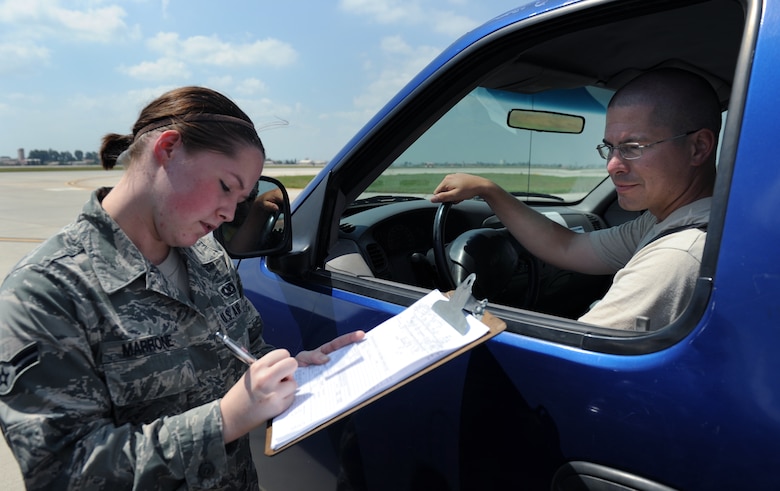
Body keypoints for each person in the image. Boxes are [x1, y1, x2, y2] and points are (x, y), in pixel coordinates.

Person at [0, 86, 364, 490]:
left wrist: (295, 372)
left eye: (243, 198)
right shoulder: (45, 293)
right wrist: (225, 419)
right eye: (226, 186)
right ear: (168, 148)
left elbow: (245, 355)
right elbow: (63, 472)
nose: (229, 212)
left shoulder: (208, 258)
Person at [431, 68, 720, 330]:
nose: (612, 165)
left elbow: (578, 355)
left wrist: (465, 316)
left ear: (698, 148)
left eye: (633, 147)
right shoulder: (664, 222)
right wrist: (489, 190)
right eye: (610, 148)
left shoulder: (678, 254)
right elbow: (568, 245)